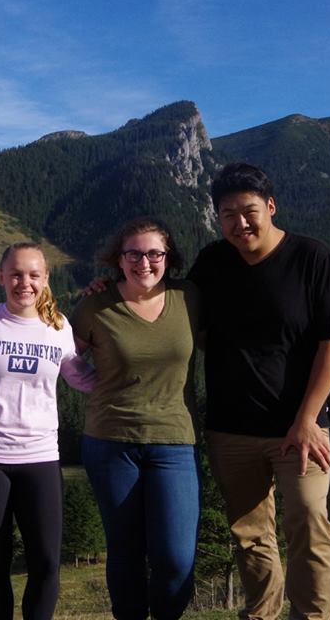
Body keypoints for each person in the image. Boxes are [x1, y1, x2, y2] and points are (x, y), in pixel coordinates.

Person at [187, 162, 330, 620]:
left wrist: (306, 420)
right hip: (231, 429)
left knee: (309, 523)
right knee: (250, 533)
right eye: (227, 215)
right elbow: (163, 300)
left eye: (249, 210)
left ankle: (313, 616)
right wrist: (108, 289)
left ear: (271, 206)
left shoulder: (313, 259)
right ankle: (260, 614)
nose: (240, 223)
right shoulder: (212, 263)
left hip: (300, 427)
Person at [0, 242, 95, 620]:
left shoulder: (59, 326)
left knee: (46, 561)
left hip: (40, 457)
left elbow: (78, 377)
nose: (23, 283)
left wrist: (129, 374)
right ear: (1, 276)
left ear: (46, 279)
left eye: (33, 275)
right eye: (15, 274)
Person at [70, 217, 200, 620]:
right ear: (119, 259)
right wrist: (98, 385)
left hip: (175, 441)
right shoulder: (96, 304)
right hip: (110, 442)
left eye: (154, 253)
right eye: (134, 254)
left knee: (176, 559)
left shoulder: (189, 298)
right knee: (125, 551)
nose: (144, 262)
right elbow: (63, 358)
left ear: (168, 257)